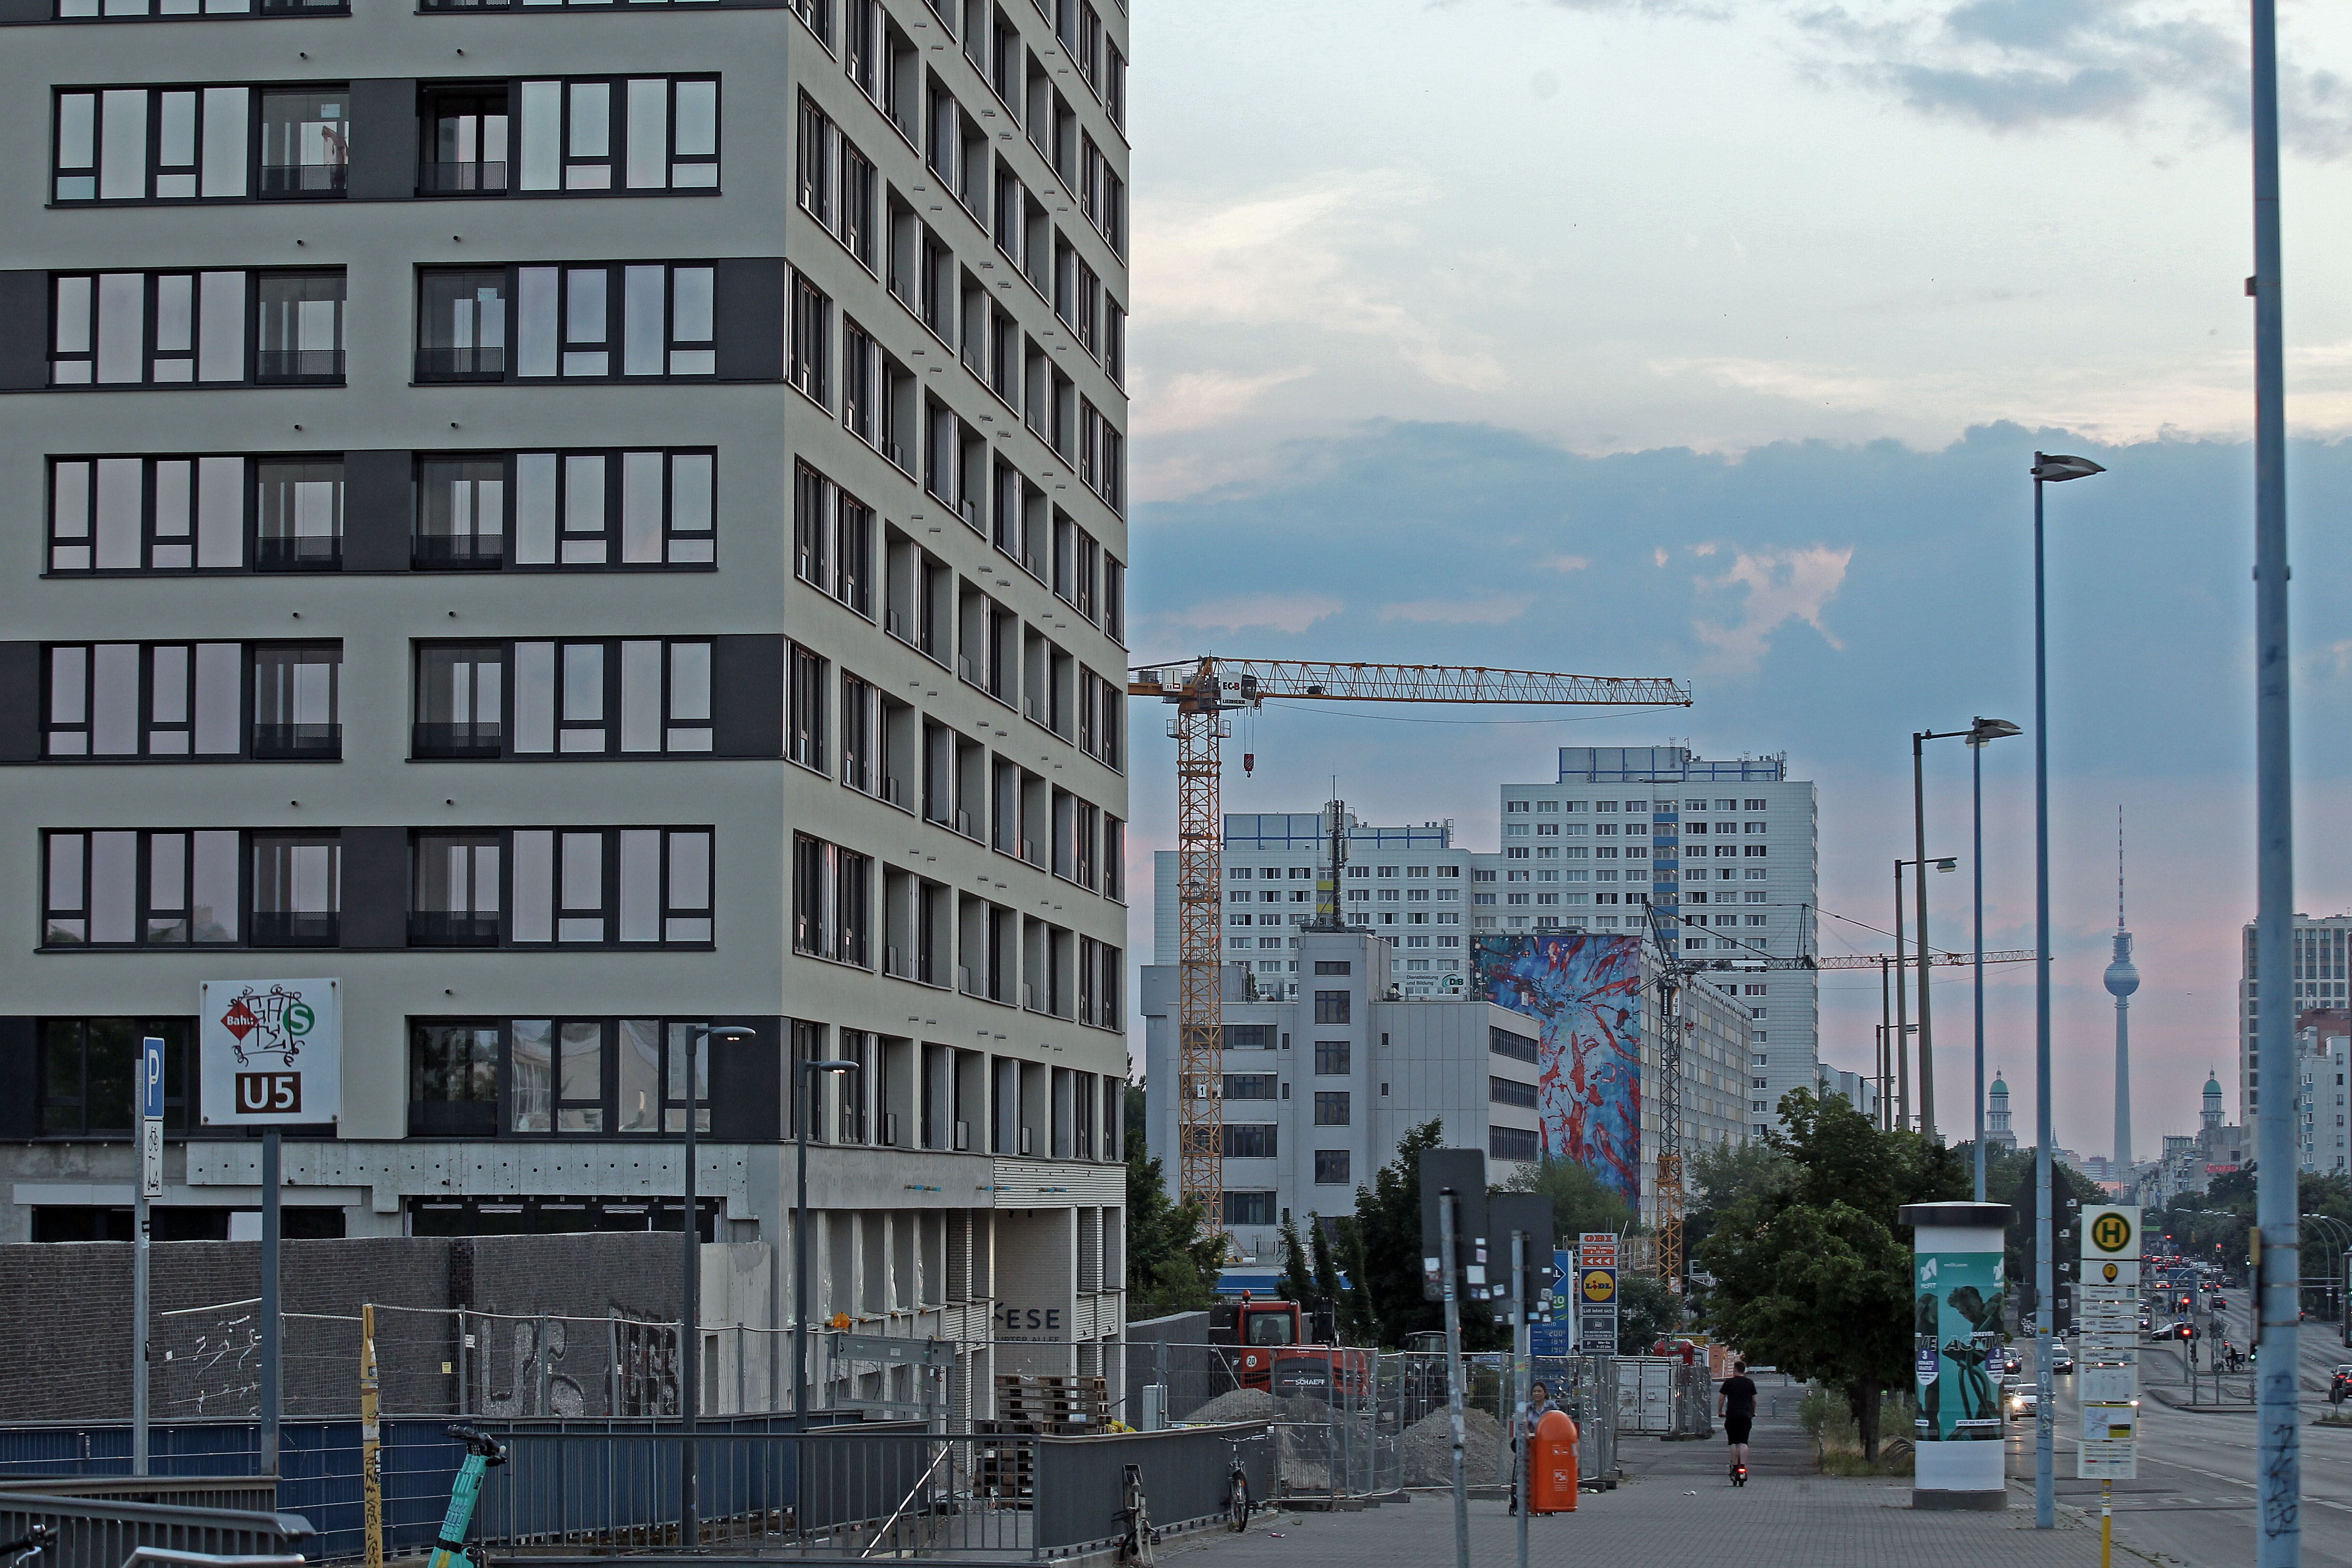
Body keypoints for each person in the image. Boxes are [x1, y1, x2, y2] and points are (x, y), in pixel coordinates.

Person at [1719, 1360, 1759, 1483]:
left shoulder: (1729, 1383)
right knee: (1743, 1442)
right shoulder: (1750, 1383)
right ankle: (1743, 1466)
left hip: (1732, 1416)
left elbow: (1721, 1399)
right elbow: (1755, 1401)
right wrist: (1753, 1412)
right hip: (1746, 1416)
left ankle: (1735, 1467)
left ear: (1735, 1370)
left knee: (1734, 1442)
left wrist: (1720, 1412)